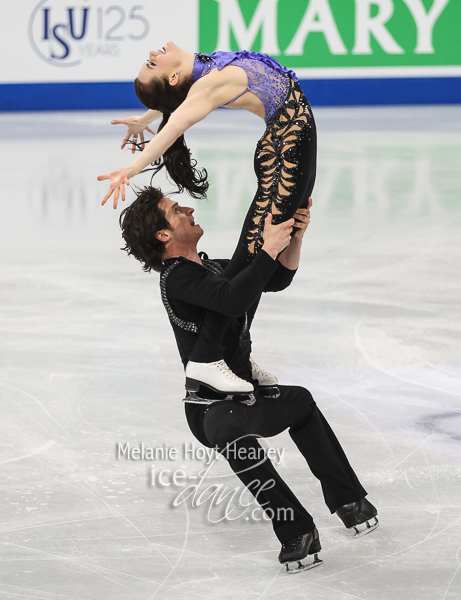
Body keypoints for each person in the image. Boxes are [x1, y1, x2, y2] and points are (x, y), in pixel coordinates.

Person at [118, 185, 378, 573]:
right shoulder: (177, 278)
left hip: (248, 395)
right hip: (211, 407)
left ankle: (348, 500)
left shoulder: (215, 267)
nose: (188, 209)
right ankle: (296, 530)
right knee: (227, 426)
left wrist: (292, 241)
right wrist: (266, 251)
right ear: (163, 235)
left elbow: (273, 279)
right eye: (176, 210)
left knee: (301, 403)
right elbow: (230, 300)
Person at [97, 41, 317, 395]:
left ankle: (234, 356)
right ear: (171, 76)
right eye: (151, 65)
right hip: (285, 156)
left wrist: (145, 117)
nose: (151, 54)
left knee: (254, 261)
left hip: (289, 146)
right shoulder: (208, 86)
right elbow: (174, 128)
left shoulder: (199, 73)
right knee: (248, 260)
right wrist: (132, 168)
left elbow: (172, 102)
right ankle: (211, 357)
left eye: (147, 61)